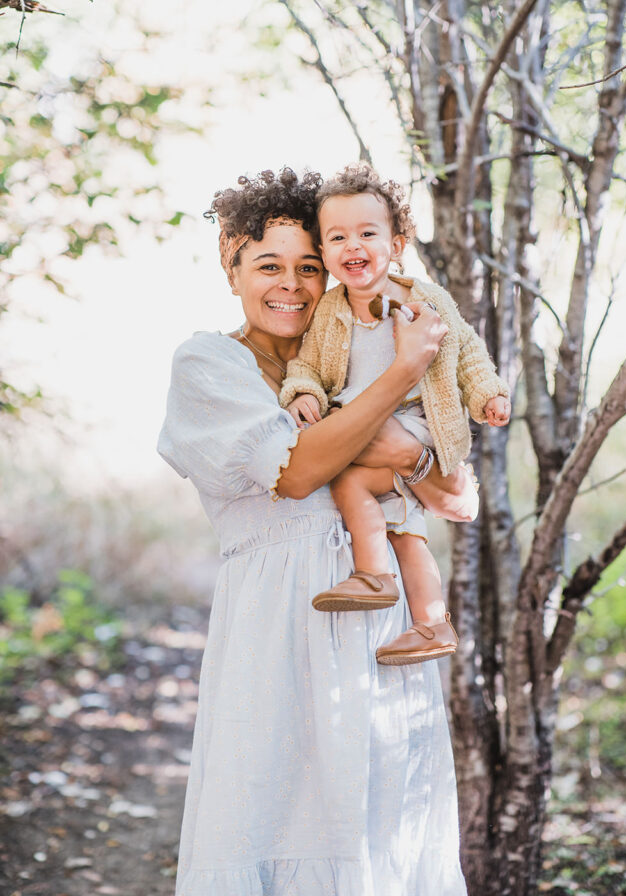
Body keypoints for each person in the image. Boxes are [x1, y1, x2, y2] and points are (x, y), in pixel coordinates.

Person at [158, 167, 471, 896]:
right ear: (229, 261)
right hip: (273, 635)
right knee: (272, 814)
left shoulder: (345, 362)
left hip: (379, 626)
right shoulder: (209, 364)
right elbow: (296, 473)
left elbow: (457, 497)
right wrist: (400, 381)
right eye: (268, 265)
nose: (292, 286)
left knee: (382, 818)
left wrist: (406, 446)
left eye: (307, 266)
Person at [281, 164, 510, 666]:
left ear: (398, 242)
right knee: (404, 528)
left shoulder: (425, 300)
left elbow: (468, 350)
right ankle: (431, 624)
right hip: (363, 421)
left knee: (348, 482)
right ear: (323, 252)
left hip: (417, 420)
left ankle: (374, 576)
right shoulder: (330, 312)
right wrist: (303, 394)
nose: (352, 245)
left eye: (367, 233)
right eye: (336, 237)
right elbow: (309, 367)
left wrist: (487, 393)